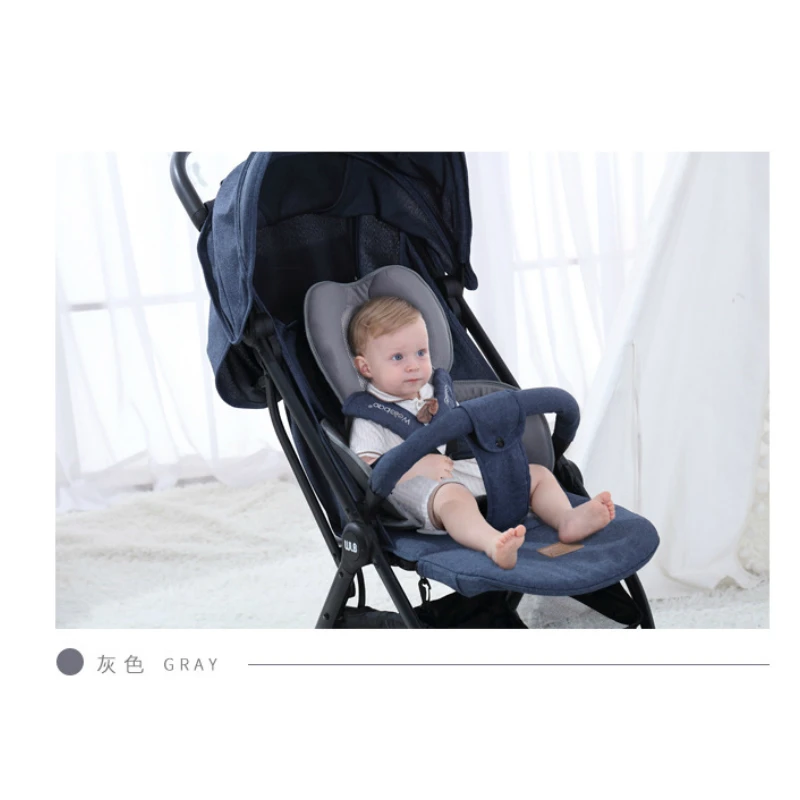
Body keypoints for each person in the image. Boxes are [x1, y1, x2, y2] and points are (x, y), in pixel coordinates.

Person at [347, 296, 615, 569]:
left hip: (458, 469)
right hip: (415, 490)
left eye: (421, 352)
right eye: (397, 357)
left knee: (536, 474)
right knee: (454, 497)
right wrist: (418, 466)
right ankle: (492, 543)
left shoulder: (437, 393)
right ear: (366, 367)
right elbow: (367, 472)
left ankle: (566, 519)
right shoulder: (369, 418)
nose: (413, 365)